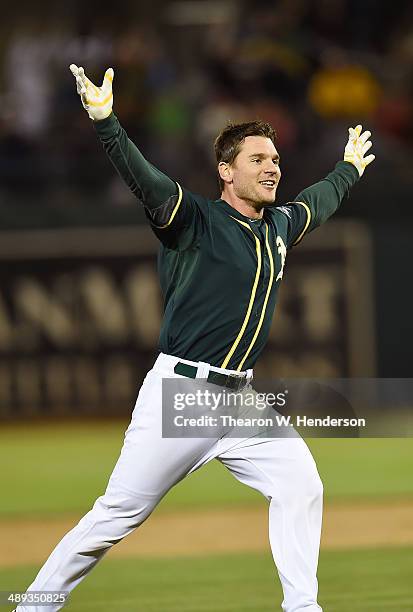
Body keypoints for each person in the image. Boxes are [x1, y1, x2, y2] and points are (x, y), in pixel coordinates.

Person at [14, 65, 375, 612]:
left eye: (274, 158)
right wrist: (106, 120)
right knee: (113, 518)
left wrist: (346, 169)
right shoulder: (193, 220)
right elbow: (143, 178)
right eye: (257, 159)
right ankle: (32, 606)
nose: (271, 167)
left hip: (242, 400)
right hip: (182, 396)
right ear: (226, 172)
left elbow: (320, 202)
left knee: (302, 485)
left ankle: (303, 608)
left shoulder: (277, 227)